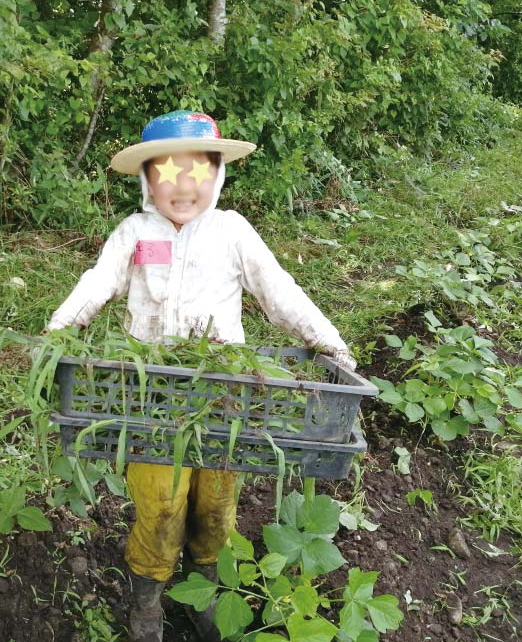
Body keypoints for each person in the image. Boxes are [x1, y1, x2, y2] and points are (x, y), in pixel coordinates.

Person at [47, 110, 355, 642]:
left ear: (216, 175)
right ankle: (147, 597)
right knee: (161, 503)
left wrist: (328, 342)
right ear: (148, 180)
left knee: (216, 505)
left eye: (197, 173)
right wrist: (59, 332)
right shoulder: (135, 233)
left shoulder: (232, 231)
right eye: (167, 173)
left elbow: (277, 289)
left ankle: (208, 588)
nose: (182, 187)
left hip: (223, 394)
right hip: (149, 393)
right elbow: (96, 282)